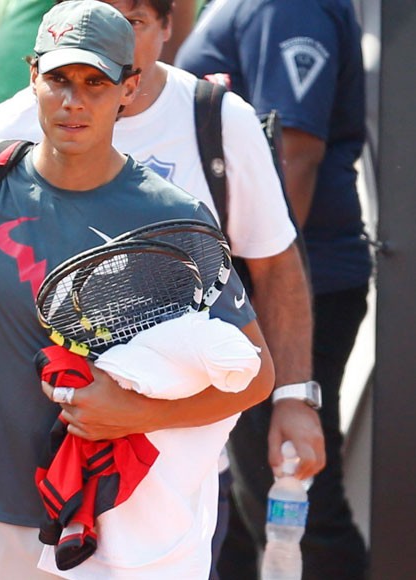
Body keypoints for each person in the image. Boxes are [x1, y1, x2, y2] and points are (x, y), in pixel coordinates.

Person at [0, 1, 274, 576]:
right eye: (59, 80)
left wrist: (133, 413)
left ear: (130, 87)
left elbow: (257, 376)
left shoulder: (177, 218)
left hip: (104, 523)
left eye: (96, 83)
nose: (73, 101)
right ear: (33, 78)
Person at [0, 0, 324, 572]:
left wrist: (293, 399)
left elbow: (275, 266)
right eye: (95, 14)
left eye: (133, 22)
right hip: (29, 459)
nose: (109, 36)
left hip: (175, 468)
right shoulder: (8, 128)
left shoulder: (218, 120)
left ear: (169, 27)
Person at [176, 1, 371, 578]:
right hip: (247, 287)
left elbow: (295, 153)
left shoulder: (285, 5)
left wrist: (257, 293)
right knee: (234, 503)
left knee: (290, 498)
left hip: (283, 293)